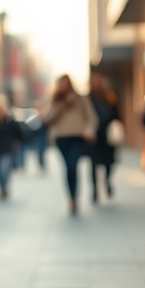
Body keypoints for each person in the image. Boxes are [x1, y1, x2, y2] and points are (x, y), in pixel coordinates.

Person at [44, 74, 98, 216]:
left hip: (77, 137)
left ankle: (75, 196)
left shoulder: (81, 99)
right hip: (62, 139)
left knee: (73, 166)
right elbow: (49, 118)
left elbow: (92, 117)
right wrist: (62, 104)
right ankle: (72, 197)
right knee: (68, 168)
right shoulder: (56, 100)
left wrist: (89, 129)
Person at [88, 72, 121, 202]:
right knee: (93, 164)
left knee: (109, 163)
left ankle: (107, 181)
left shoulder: (110, 96)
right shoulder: (89, 98)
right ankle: (95, 190)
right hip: (94, 136)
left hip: (108, 136)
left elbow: (117, 114)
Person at [0, 94, 24, 201]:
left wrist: (16, 143)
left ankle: (4, 188)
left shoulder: (10, 120)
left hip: (7, 149)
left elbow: (20, 134)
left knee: (4, 170)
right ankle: (1, 188)